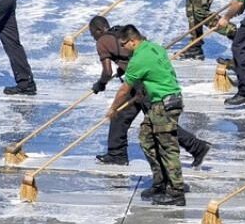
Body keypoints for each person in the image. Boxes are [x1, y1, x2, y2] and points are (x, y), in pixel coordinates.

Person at [89, 16, 211, 168]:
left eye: (92, 33)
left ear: (99, 30)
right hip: (144, 81)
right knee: (135, 118)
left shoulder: (102, 42)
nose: (93, 37)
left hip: (140, 85)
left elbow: (107, 72)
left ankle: (197, 147)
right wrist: (123, 68)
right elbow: (133, 54)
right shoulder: (122, 34)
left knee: (157, 121)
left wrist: (100, 84)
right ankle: (116, 153)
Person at [110, 25, 187, 205]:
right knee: (146, 138)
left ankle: (176, 192)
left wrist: (113, 109)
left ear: (133, 41)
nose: (123, 48)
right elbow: (162, 73)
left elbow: (124, 90)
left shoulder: (139, 58)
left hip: (164, 104)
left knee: (167, 147)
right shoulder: (155, 47)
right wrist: (145, 92)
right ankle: (160, 182)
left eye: (124, 44)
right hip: (161, 101)